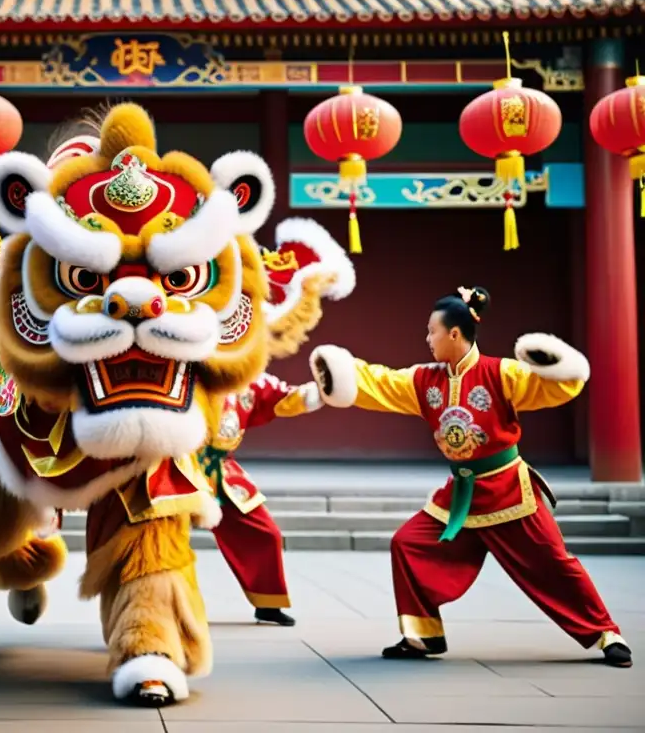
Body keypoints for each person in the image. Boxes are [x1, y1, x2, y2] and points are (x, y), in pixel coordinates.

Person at [307, 286, 632, 668]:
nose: (427, 339)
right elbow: (381, 382)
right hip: (459, 494)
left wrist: (559, 366)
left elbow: (553, 386)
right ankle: (423, 634)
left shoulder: (502, 373)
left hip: (508, 490)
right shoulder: (425, 380)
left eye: (432, 331)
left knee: (554, 564)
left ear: (454, 334)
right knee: (408, 544)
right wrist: (343, 374)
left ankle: (606, 633)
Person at [199, 374, 323, 626]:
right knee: (164, 540)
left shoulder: (247, 379)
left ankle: (268, 604)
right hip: (175, 468)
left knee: (266, 533)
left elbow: (286, 396)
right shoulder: (182, 373)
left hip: (220, 471)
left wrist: (324, 387)